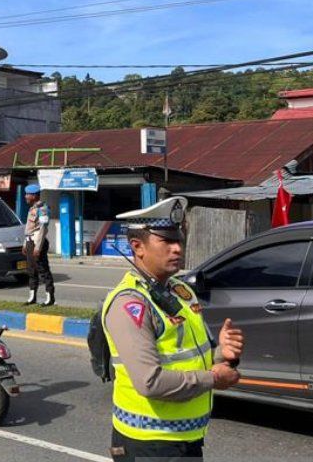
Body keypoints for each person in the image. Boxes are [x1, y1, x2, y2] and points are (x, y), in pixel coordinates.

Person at [102, 197, 243, 460]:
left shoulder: (182, 291)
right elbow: (150, 382)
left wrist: (223, 351)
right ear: (137, 247)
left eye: (179, 239)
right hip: (150, 444)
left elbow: (193, 357)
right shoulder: (130, 304)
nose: (178, 248)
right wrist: (213, 378)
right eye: (166, 241)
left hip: (186, 439)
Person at [23, 183, 55, 306]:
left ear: (34, 196)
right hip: (30, 241)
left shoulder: (43, 209)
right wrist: (25, 243)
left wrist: (38, 246)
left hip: (38, 242)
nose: (26, 196)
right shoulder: (32, 208)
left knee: (43, 270)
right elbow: (29, 228)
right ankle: (32, 297)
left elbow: (42, 229)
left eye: (28, 194)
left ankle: (50, 297)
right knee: (31, 270)